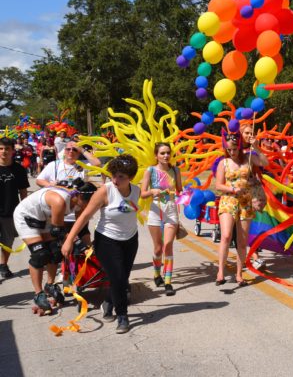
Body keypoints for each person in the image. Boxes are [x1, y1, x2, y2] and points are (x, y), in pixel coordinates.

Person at [61, 155, 141, 334]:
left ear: (131, 177)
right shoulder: (105, 191)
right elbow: (84, 217)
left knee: (121, 277)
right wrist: (69, 240)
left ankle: (109, 302)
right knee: (118, 277)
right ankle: (122, 316)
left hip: (130, 239)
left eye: (121, 176)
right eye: (114, 175)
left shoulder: (136, 191)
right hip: (107, 240)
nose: (115, 179)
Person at [13, 179, 96, 314]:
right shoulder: (60, 201)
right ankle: (38, 293)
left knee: (55, 252)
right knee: (40, 255)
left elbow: (80, 227)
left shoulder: (80, 202)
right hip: (27, 217)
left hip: (45, 217)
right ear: (80, 197)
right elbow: (57, 231)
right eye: (89, 203)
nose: (90, 206)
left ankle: (50, 285)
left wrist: (86, 246)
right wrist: (73, 241)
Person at [214, 129, 268, 286]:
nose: (232, 152)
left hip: (246, 202)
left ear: (239, 147)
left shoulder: (249, 159)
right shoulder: (223, 163)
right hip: (228, 200)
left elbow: (265, 163)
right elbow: (218, 185)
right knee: (225, 236)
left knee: (242, 241)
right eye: (229, 149)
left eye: (235, 149)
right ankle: (221, 272)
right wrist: (232, 189)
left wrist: (257, 147)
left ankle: (239, 274)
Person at [140, 143, 183, 296]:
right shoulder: (150, 171)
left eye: (168, 153)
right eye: (162, 153)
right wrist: (153, 190)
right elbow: (142, 193)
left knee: (168, 244)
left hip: (170, 210)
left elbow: (180, 190)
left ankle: (168, 281)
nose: (166, 156)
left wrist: (183, 195)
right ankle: (157, 273)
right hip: (155, 210)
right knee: (158, 248)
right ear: (156, 155)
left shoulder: (175, 170)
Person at [0, 137, 30, 278]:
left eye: (7, 149)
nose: (3, 151)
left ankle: (3, 265)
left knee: (7, 241)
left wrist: (25, 212)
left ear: (12, 150)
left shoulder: (19, 169)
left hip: (10, 211)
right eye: (1, 148)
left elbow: (23, 192)